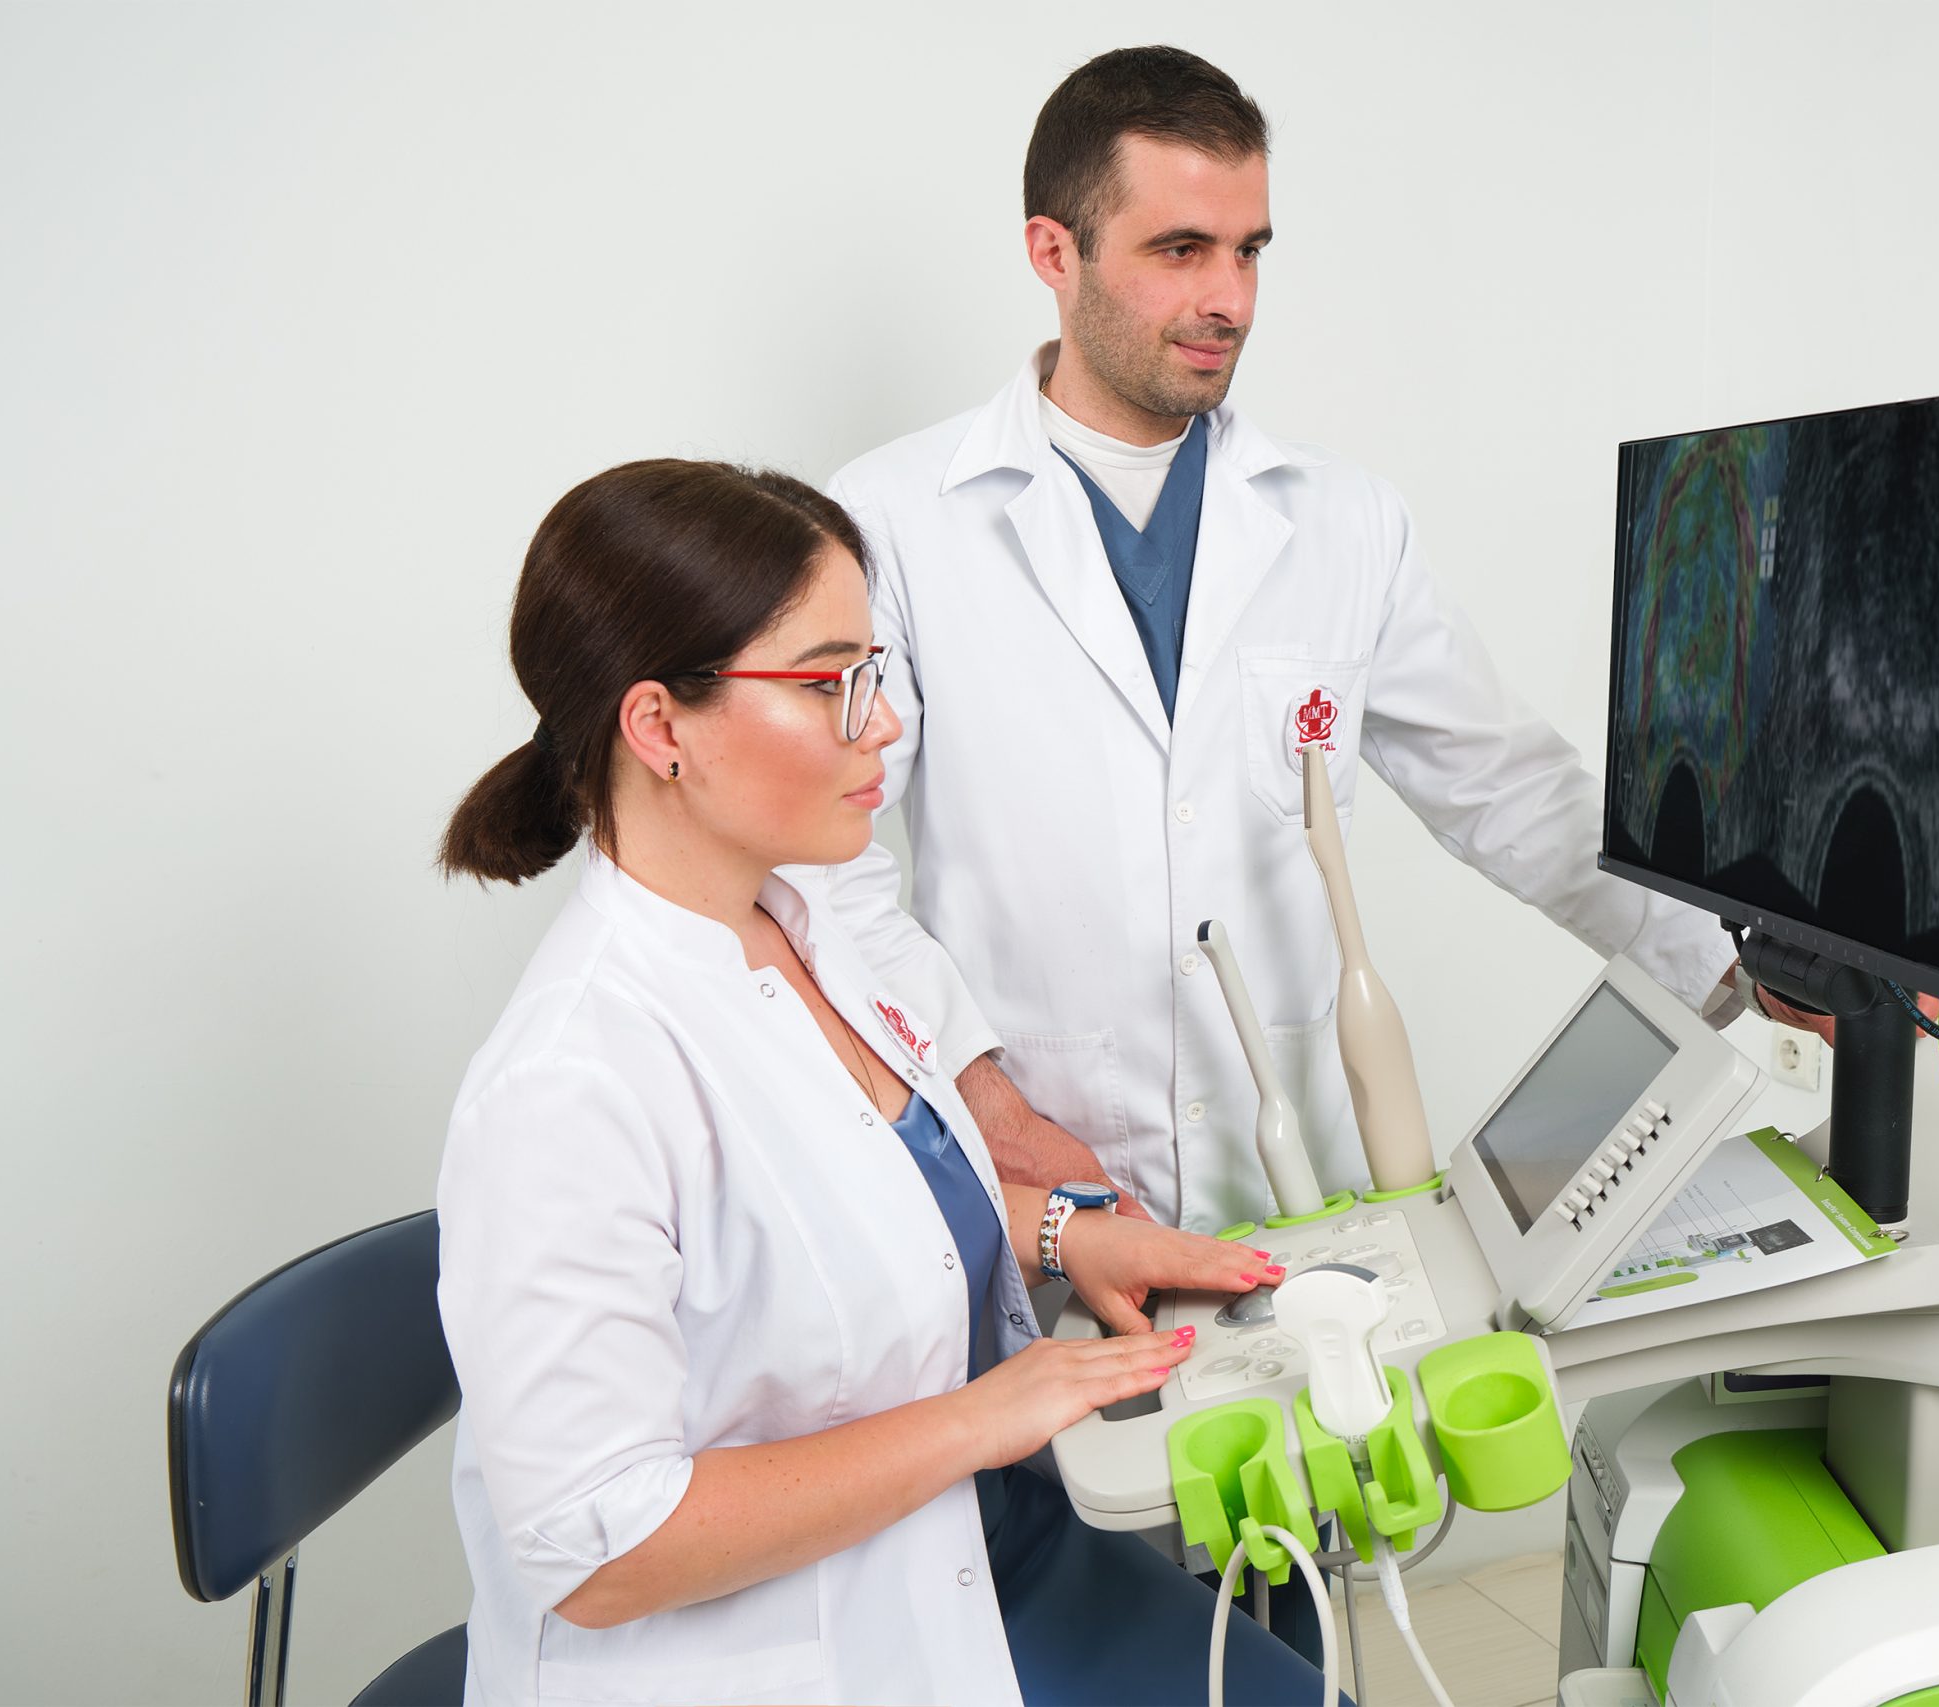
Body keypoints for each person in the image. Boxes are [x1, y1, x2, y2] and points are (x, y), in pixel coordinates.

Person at [826, 46, 1779, 1238]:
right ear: (1053, 253)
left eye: (1249, 251)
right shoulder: (891, 522)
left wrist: (1744, 966)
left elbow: (1507, 791)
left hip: (1300, 1200)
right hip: (1039, 1194)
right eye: (1181, 250)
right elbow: (822, 862)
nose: (1230, 299)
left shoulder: (1342, 522)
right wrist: (987, 1102)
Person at [433, 459, 1335, 1706]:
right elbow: (597, 1545)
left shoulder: (798, 929)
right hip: (785, 1650)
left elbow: (841, 1216)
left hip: (978, 1540)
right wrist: (985, 1414)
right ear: (659, 728)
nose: (884, 724)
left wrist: (1064, 1234)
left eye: (876, 672)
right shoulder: (568, 1083)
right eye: (828, 685)